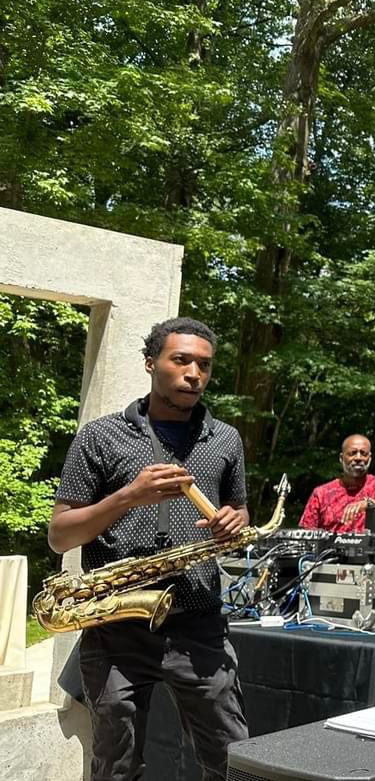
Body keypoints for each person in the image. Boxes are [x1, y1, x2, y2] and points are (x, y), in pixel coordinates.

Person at [48, 317, 250, 781]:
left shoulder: (226, 439)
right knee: (116, 768)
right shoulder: (99, 436)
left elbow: (239, 511)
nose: (193, 373)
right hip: (116, 628)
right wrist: (127, 497)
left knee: (234, 762)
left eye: (204, 365)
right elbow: (61, 534)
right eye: (180, 360)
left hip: (200, 625)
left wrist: (237, 521)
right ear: (150, 363)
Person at [298, 434, 375, 532]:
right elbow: (306, 532)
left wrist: (368, 504)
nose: (358, 458)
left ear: (370, 458)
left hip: (374, 547)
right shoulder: (322, 494)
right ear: (341, 458)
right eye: (353, 453)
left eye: (363, 453)